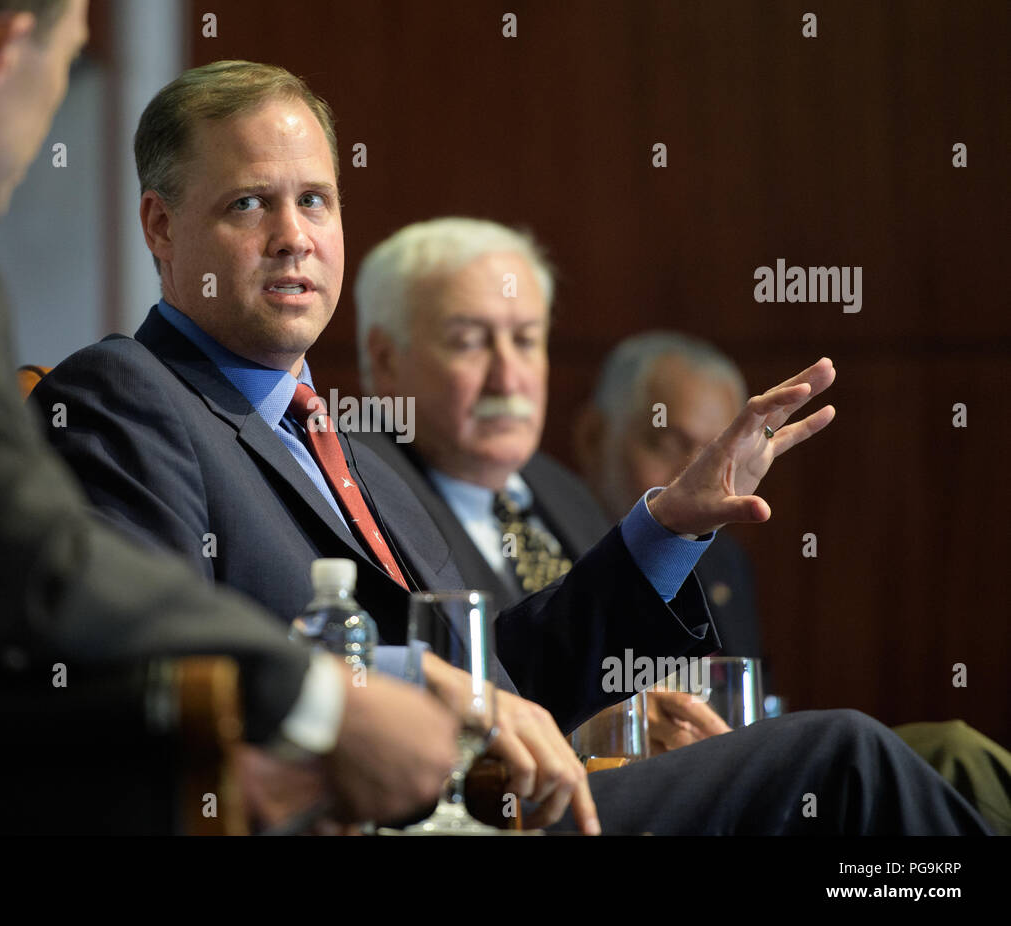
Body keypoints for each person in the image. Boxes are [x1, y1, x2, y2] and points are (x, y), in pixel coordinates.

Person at [33, 65, 987, 833]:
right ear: (162, 227)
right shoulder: (129, 397)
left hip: (498, 805)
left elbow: (505, 669)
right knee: (845, 763)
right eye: (249, 205)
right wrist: (423, 687)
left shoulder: (341, 439)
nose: (295, 239)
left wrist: (666, 526)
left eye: (316, 201)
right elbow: (155, 667)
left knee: (926, 772)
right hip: (386, 819)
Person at [0, 1, 460, 836]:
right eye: (66, 61)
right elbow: (25, 566)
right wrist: (319, 701)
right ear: (2, 53)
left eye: (317, 199)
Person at [353, 216, 1001, 833]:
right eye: (470, 340)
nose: (508, 375)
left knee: (956, 755)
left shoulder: (560, 490)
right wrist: (606, 719)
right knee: (853, 757)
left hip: (690, 764)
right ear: (385, 362)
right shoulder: (365, 501)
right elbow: (421, 695)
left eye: (525, 338)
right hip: (541, 803)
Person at [572, 329, 1011, 834]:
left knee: (954, 751)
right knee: (854, 747)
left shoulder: (723, 563)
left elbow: (751, 706)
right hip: (639, 791)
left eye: (716, 455)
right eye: (668, 443)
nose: (694, 476)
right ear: (592, 436)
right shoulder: (556, 543)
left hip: (735, 774)